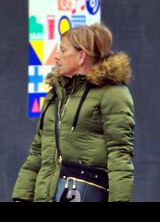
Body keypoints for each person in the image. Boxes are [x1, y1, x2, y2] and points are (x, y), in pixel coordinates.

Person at [12, 24, 135, 202]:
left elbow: (120, 155)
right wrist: (21, 198)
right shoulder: (55, 93)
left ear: (81, 56)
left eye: (62, 50)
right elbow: (38, 152)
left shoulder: (113, 93)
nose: (56, 57)